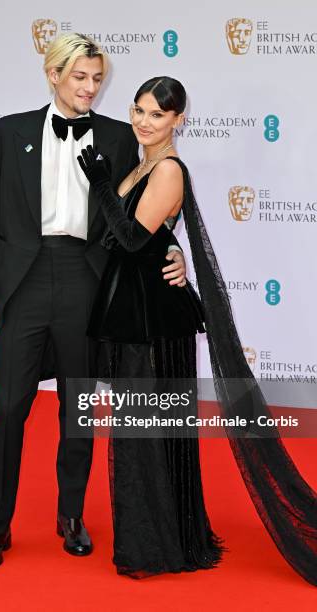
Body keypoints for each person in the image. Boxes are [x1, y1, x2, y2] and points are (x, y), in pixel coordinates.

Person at [77, 77, 317, 585]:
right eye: (138, 111)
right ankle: (166, 535)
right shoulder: (142, 163)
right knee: (138, 432)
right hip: (135, 311)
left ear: (178, 120)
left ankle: (162, 544)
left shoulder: (167, 169)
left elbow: (128, 236)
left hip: (154, 322)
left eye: (156, 115)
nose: (144, 121)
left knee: (147, 432)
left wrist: (101, 184)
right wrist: (172, 248)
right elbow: (132, 238)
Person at [0, 34, 186, 570]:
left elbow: (145, 203)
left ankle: (71, 516)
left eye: (96, 79)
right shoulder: (10, 130)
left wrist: (176, 249)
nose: (90, 88)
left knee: (80, 409)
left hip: (86, 280)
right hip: (21, 281)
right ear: (54, 76)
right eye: (79, 78)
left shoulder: (118, 137)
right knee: (7, 409)